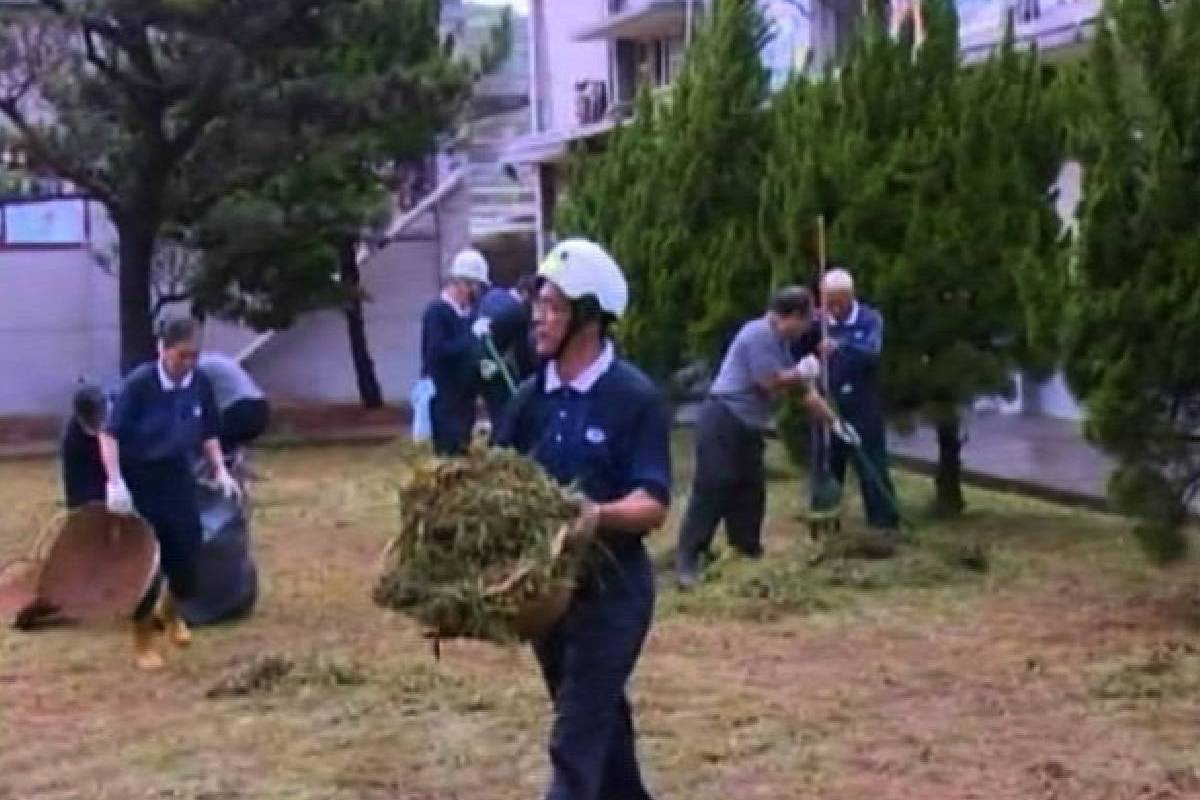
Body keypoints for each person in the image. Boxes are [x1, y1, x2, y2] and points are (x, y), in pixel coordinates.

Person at [497, 238, 671, 800]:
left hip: (615, 595)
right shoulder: (528, 399)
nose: (539, 319)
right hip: (549, 596)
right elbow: (498, 480)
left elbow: (653, 502)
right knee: (599, 727)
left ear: (590, 320)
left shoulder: (634, 396)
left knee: (576, 732)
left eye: (554, 307)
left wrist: (596, 515)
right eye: (537, 305)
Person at [675, 287, 856, 589]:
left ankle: (745, 555)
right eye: (805, 321)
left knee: (750, 491)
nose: (806, 329)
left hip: (748, 427)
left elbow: (804, 393)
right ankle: (689, 560)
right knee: (714, 486)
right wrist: (801, 372)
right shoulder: (758, 335)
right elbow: (767, 383)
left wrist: (835, 423)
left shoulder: (781, 343)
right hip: (724, 418)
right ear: (790, 317)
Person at [100, 316, 241, 670]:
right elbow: (109, 433)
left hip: (177, 474)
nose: (188, 363)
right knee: (149, 560)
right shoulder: (140, 385)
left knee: (188, 552)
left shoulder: (200, 382)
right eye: (182, 356)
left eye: (194, 355)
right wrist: (115, 482)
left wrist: (219, 469)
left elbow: (207, 429)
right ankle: (143, 640)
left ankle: (171, 610)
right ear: (162, 350)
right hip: (141, 477)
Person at [816, 268, 900, 534]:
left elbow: (871, 352)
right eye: (828, 302)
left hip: (863, 402)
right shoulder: (818, 321)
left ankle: (884, 524)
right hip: (827, 401)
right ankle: (824, 522)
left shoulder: (870, 319)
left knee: (871, 463)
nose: (833, 309)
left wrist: (840, 345)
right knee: (827, 464)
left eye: (839, 302)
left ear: (851, 296)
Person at [420, 248, 490, 455]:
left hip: (464, 401)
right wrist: (471, 339)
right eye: (473, 286)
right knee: (449, 456)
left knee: (462, 450)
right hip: (445, 401)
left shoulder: (467, 314)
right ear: (460, 283)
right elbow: (437, 352)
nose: (475, 293)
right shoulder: (437, 311)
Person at [473, 273, 538, 425]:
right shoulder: (518, 313)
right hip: (497, 369)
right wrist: (529, 378)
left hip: (476, 363)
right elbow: (522, 353)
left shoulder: (493, 295)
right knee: (505, 413)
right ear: (527, 295)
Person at [197, 352, 270, 457]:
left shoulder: (198, 367)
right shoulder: (213, 359)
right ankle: (233, 463)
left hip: (241, 410)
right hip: (261, 408)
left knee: (208, 442)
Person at [60, 383, 108, 509]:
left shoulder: (115, 421)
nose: (99, 420)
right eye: (95, 418)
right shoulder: (72, 442)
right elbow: (75, 486)